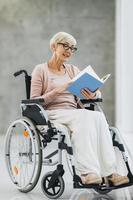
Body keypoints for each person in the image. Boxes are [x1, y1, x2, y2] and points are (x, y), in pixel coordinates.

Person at [30, 32, 129, 186]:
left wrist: (93, 93)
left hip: (73, 112)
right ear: (53, 46)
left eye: (73, 48)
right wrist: (59, 89)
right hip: (51, 113)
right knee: (84, 117)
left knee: (97, 117)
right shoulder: (41, 70)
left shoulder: (72, 70)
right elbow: (33, 101)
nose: (69, 50)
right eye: (65, 46)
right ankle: (88, 173)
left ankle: (110, 172)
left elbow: (97, 91)